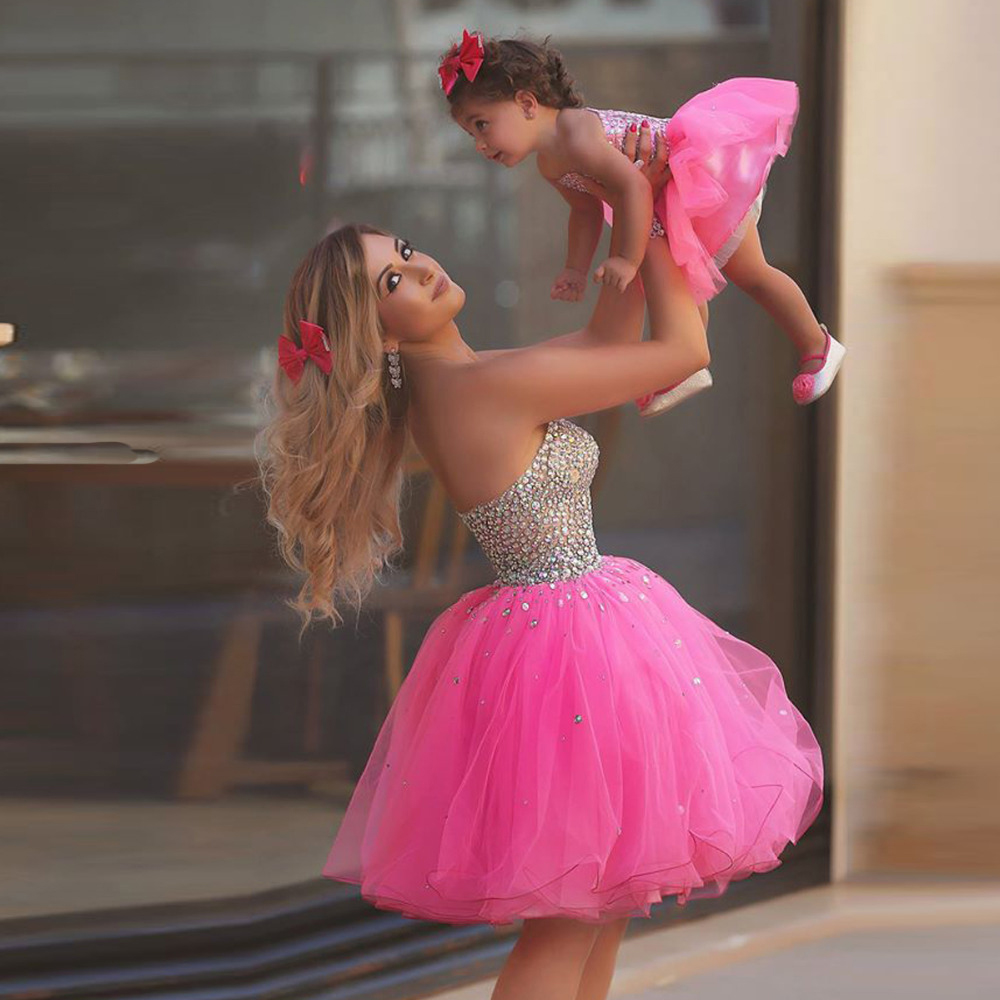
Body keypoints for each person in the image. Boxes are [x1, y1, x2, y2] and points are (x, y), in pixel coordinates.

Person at [257, 141, 823, 1000]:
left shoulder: (470, 380)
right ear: (373, 334)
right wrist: (665, 206)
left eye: (404, 254)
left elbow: (607, 338)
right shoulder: (486, 388)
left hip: (566, 635)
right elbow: (678, 351)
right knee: (567, 935)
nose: (419, 270)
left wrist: (626, 215)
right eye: (390, 285)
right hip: (570, 654)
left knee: (595, 922)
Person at [439, 29, 845, 416]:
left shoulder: (576, 132)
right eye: (470, 133)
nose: (479, 143)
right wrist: (575, 269)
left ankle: (816, 343)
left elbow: (633, 187)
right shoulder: (551, 163)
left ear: (527, 103)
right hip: (662, 199)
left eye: (482, 124)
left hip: (695, 175)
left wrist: (626, 261)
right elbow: (585, 212)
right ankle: (681, 367)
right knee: (676, 279)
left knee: (750, 272)